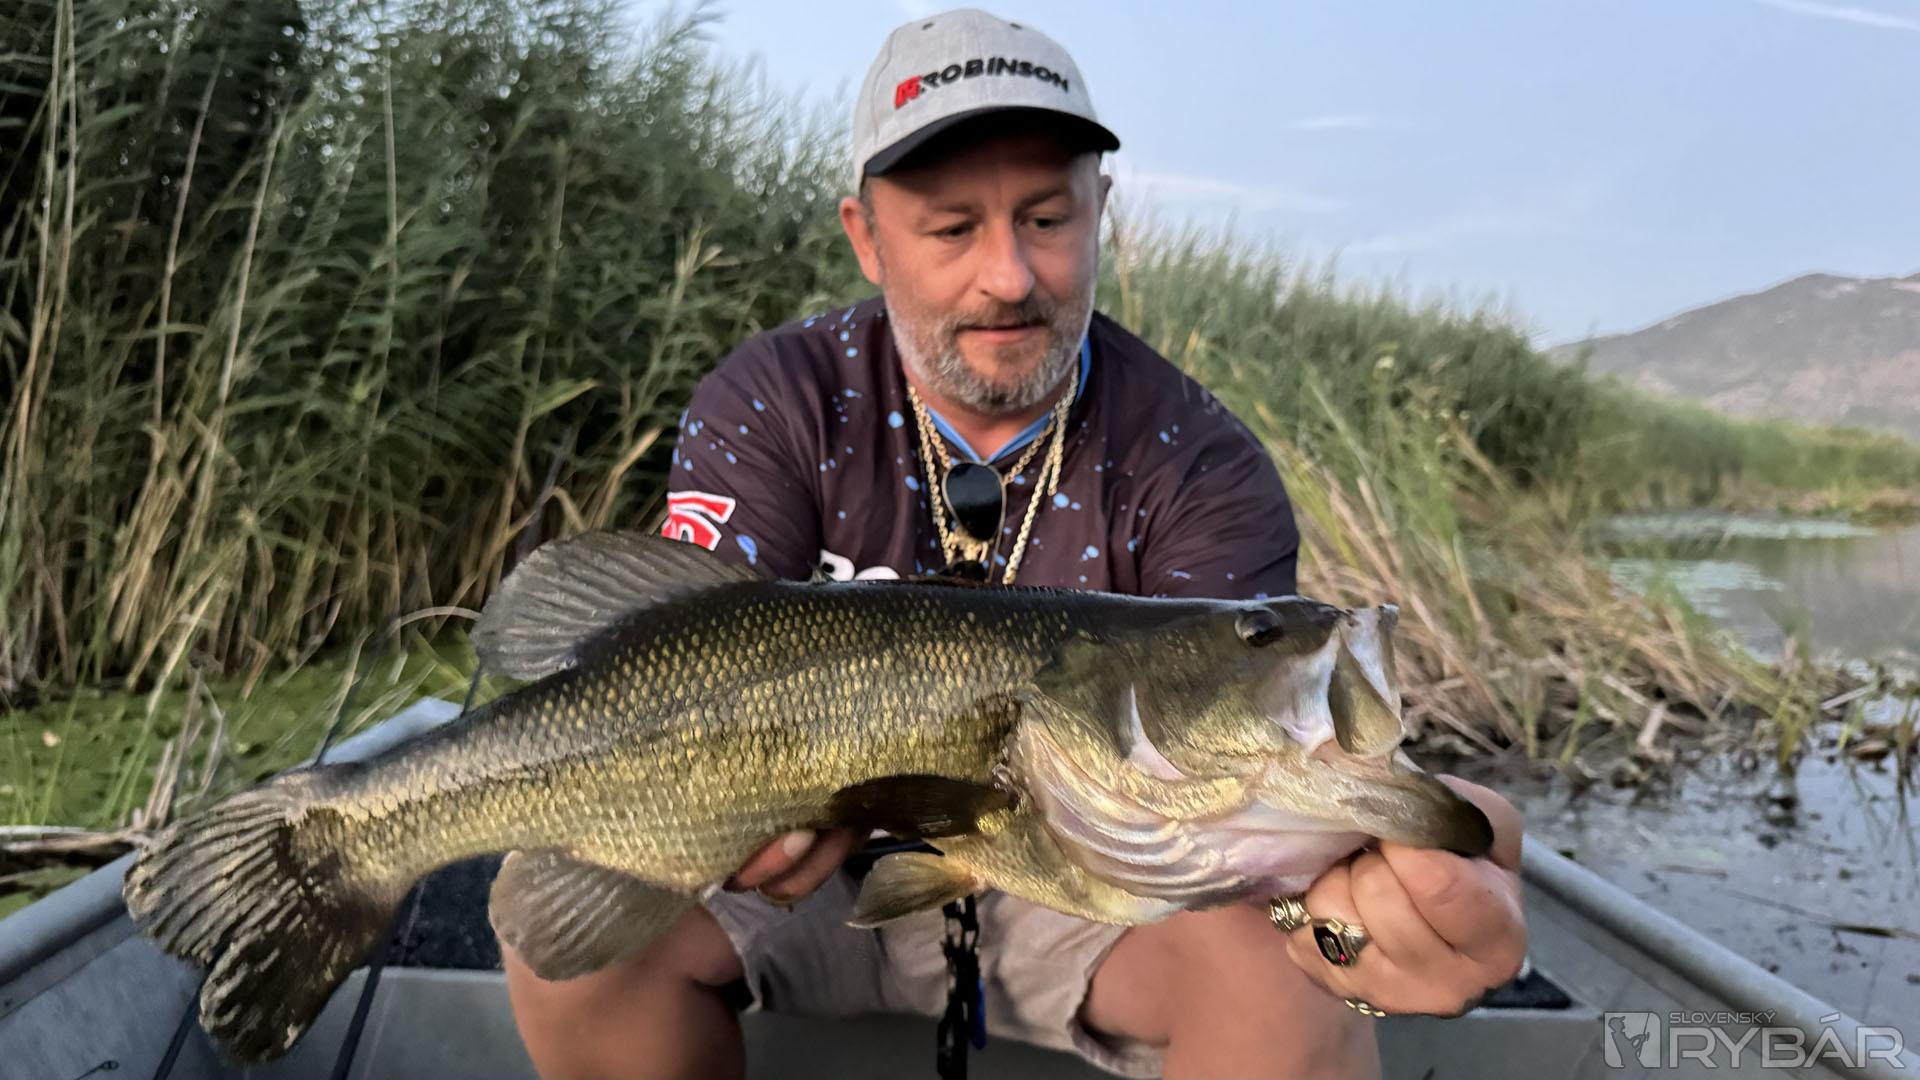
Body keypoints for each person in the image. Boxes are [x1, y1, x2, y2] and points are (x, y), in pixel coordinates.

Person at [500, 9, 1527, 1079]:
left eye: (1046, 218)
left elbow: (1235, 793)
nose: (1008, 276)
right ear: (867, 237)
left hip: (1083, 889)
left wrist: (1352, 907)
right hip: (799, 894)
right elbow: (678, 658)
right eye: (952, 229)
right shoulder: (779, 401)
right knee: (572, 948)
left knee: (1292, 987)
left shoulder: (1198, 461)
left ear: (1101, 211)